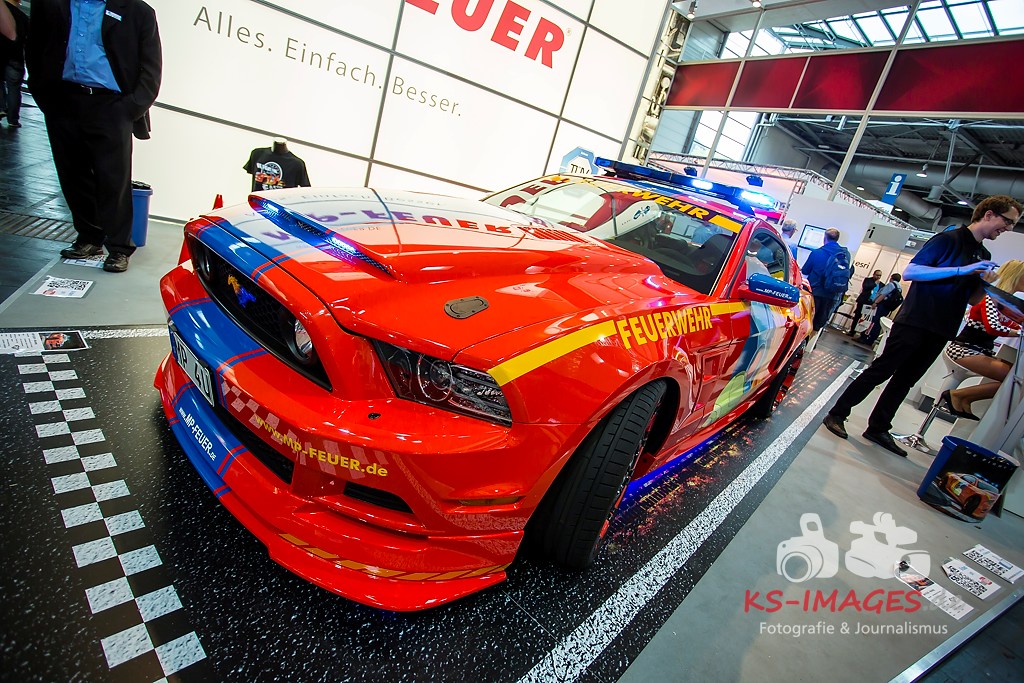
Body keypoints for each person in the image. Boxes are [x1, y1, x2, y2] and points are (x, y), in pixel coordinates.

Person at [822, 195, 1021, 457]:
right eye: (1007, 221)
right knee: (882, 370)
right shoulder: (947, 239)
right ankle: (837, 413)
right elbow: (911, 272)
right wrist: (961, 270)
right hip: (916, 319)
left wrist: (985, 283)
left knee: (906, 379)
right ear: (989, 214)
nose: (1008, 228)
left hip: (943, 327)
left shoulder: (983, 254)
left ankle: (879, 427)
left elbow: (972, 299)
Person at [26, 0, 162, 273]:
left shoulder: (138, 11)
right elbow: (35, 47)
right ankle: (89, 238)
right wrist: (42, 93)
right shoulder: (52, 4)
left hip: (111, 105)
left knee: (113, 180)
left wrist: (130, 108)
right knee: (72, 175)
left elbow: (151, 67)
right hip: (63, 100)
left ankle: (119, 247)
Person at [939, 260, 1024, 419]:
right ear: (1016, 276)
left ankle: (963, 397)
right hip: (964, 349)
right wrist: (1018, 332)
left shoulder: (1004, 303)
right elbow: (993, 327)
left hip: (978, 351)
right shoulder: (991, 297)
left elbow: (1011, 324)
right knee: (1015, 379)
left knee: (1017, 380)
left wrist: (1017, 329)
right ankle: (957, 396)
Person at [801, 227, 853, 332]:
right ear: (837, 239)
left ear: (824, 238)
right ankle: (812, 341)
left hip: (814, 292)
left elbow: (805, 270)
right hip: (833, 294)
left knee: (806, 321)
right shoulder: (845, 254)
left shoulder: (817, 252)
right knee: (818, 324)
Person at [244, 138, 311, 191]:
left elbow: (306, 189)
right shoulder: (257, 154)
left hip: (281, 203)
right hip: (256, 202)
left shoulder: (297, 164)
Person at [0, 0, 26, 127]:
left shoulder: (3, 11)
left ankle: (0, 108)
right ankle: (13, 119)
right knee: (14, 88)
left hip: (2, 54)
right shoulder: (24, 18)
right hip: (16, 58)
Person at [857, 273, 903, 346]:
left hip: (881, 305)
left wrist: (876, 302)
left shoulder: (891, 285)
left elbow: (883, 294)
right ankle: (871, 339)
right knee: (878, 323)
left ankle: (865, 337)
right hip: (887, 308)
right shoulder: (899, 287)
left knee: (873, 322)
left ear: (891, 278)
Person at [849, 269, 883, 335]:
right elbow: (865, 287)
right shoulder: (868, 280)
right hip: (863, 300)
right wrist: (874, 284)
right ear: (873, 274)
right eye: (877, 275)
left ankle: (862, 333)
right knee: (857, 315)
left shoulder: (881, 284)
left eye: (880, 275)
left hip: (871, 302)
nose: (878, 277)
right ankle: (852, 330)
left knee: (867, 318)